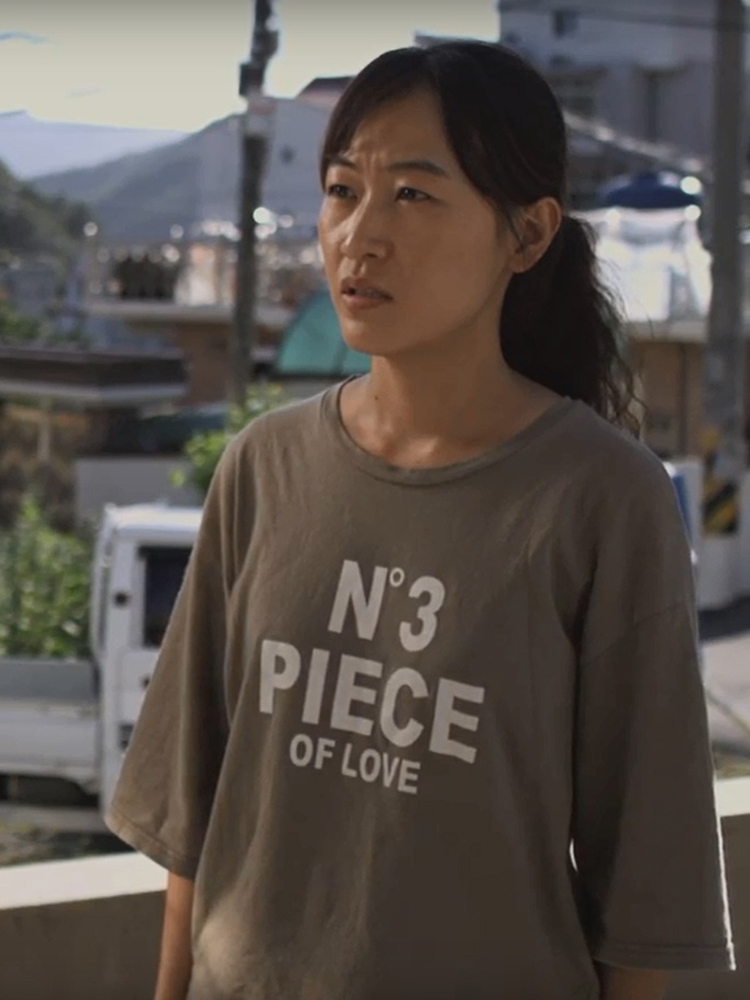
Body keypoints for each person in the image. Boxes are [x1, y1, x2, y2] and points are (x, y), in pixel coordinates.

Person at [105, 41, 734, 1000]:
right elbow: (194, 826)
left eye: (412, 194)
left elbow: (647, 890)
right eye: (342, 190)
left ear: (528, 236)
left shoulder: (604, 497)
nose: (359, 236)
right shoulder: (263, 466)